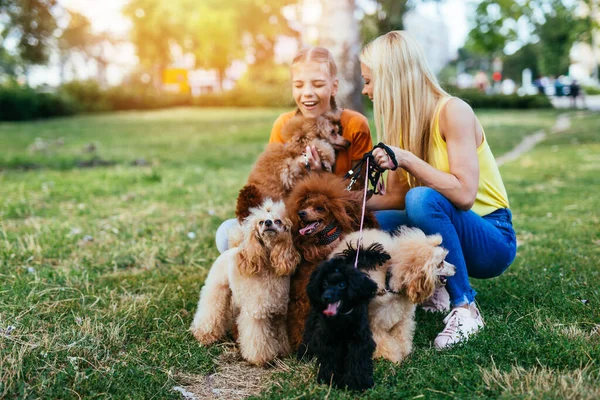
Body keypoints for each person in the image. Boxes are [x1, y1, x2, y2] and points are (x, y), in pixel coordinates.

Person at [360, 31, 517, 350]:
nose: (366, 90)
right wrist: (342, 200)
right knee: (372, 219)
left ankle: (466, 307)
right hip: (451, 225)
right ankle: (431, 286)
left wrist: (405, 158)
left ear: (390, 79)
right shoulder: (403, 125)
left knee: (421, 200)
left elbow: (463, 195)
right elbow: (392, 198)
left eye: (368, 80)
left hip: (492, 237)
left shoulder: (453, 111)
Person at [215, 47, 373, 253]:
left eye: (318, 84)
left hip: (336, 226)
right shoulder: (284, 125)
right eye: (299, 85)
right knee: (226, 233)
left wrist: (320, 178)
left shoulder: (354, 124)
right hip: (292, 222)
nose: (307, 93)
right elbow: (271, 188)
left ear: (334, 87)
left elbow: (358, 192)